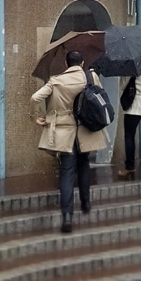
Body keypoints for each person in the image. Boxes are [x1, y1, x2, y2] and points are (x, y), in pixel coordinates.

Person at [30, 50, 108, 234]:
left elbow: (35, 97)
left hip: (64, 132)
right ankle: (86, 202)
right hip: (86, 128)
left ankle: (67, 217)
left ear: (66, 64)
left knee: (66, 172)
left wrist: (37, 117)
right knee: (84, 164)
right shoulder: (91, 77)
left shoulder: (56, 81)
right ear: (81, 63)